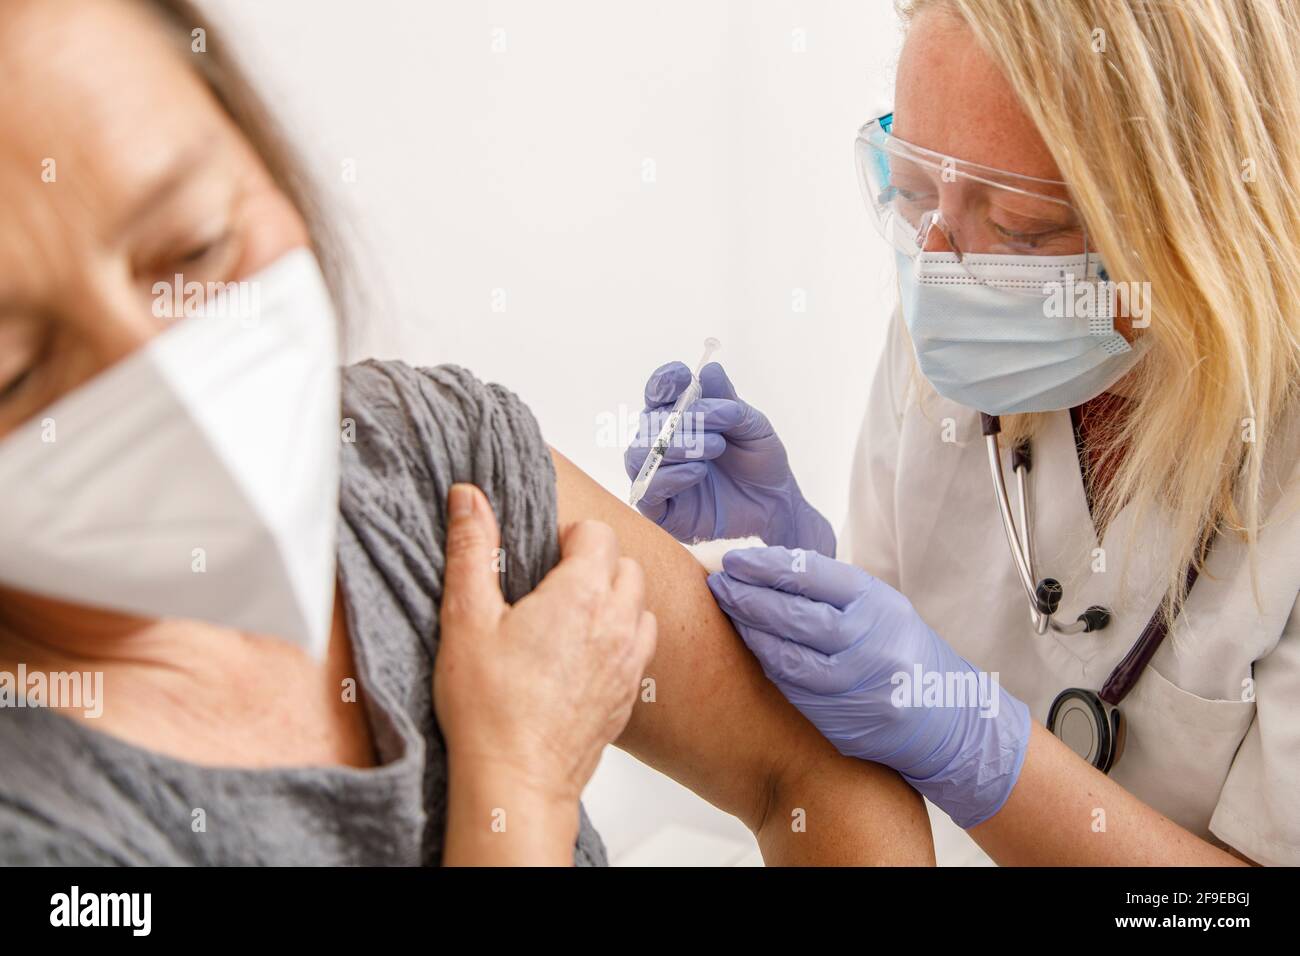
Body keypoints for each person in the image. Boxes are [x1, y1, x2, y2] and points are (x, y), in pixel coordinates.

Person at [0, 0, 936, 866]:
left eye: (198, 245)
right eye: (13, 370)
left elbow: (814, 772)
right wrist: (516, 785)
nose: (170, 388)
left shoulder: (430, 457)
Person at [629, 0, 1300, 866]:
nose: (940, 264)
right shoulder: (957, 329)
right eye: (912, 191)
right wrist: (779, 579)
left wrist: (978, 750)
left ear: (1201, 223)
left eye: (1021, 230)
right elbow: (858, 714)